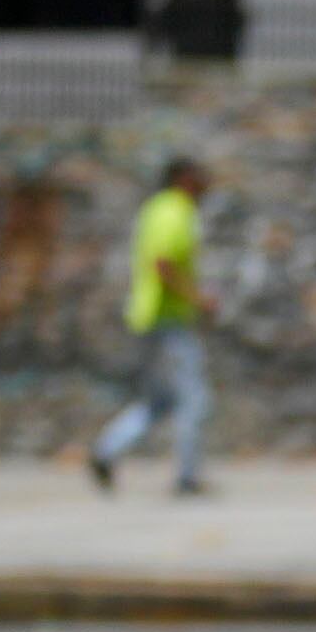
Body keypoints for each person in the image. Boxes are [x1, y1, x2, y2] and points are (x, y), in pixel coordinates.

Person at [93, 157, 214, 495]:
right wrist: (198, 298)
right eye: (201, 175)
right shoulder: (174, 211)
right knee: (194, 399)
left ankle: (107, 450)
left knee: (161, 401)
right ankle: (187, 478)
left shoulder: (156, 208)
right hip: (167, 318)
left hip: (152, 316)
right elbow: (162, 264)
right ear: (184, 178)